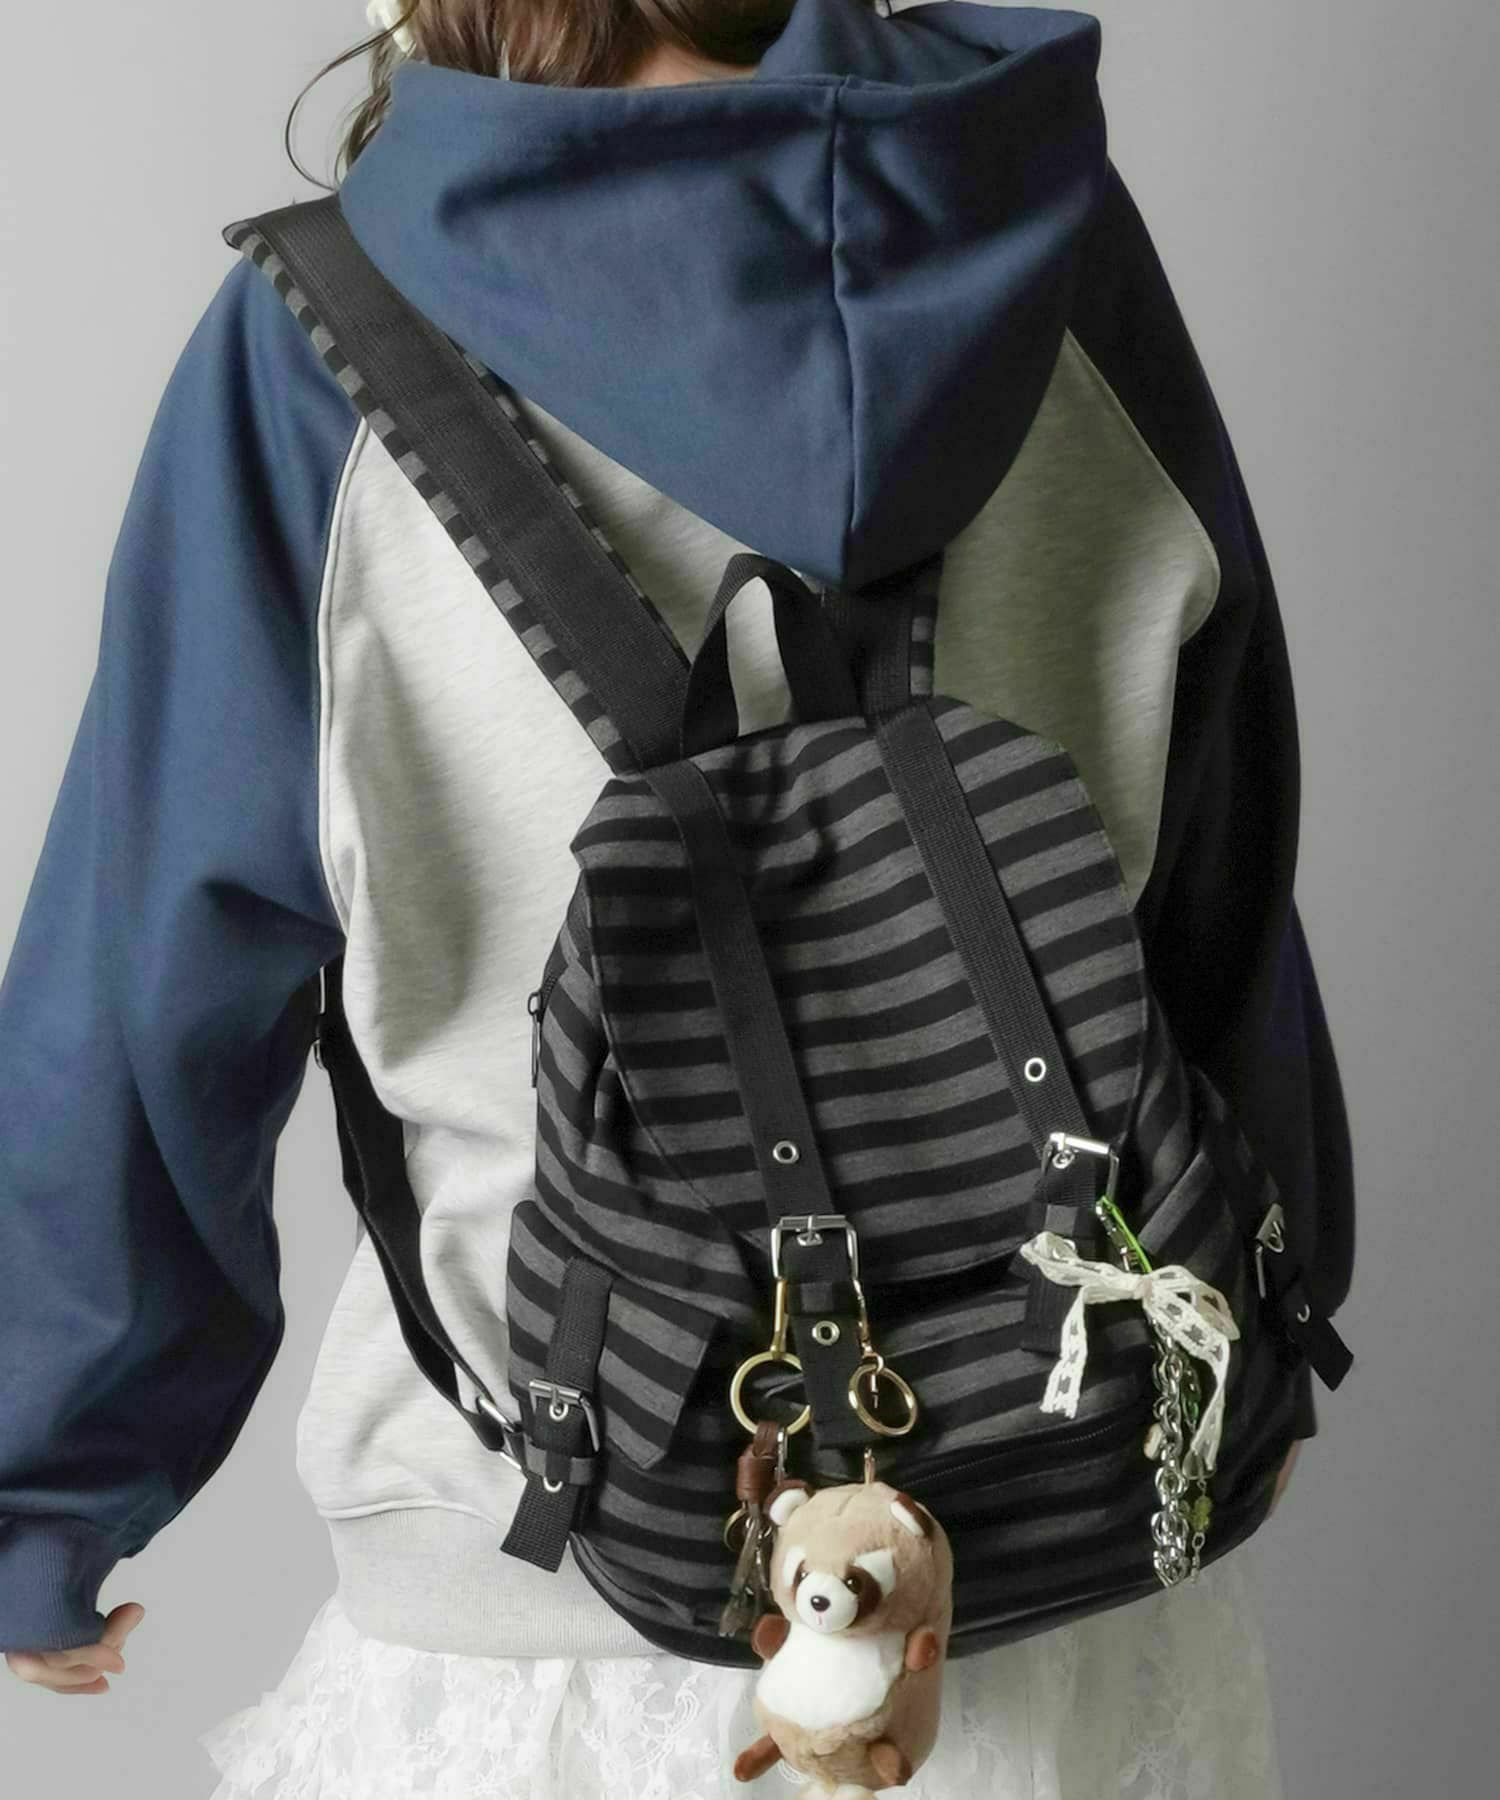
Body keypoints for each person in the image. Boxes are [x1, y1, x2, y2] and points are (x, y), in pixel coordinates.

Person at [0, 1, 1353, 1793]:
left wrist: (44, 1482)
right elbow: (1218, 853)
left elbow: (148, 969)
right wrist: (1276, 1308)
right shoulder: (1047, 239)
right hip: (1075, 1542)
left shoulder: (309, 348)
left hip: (548, 1588)